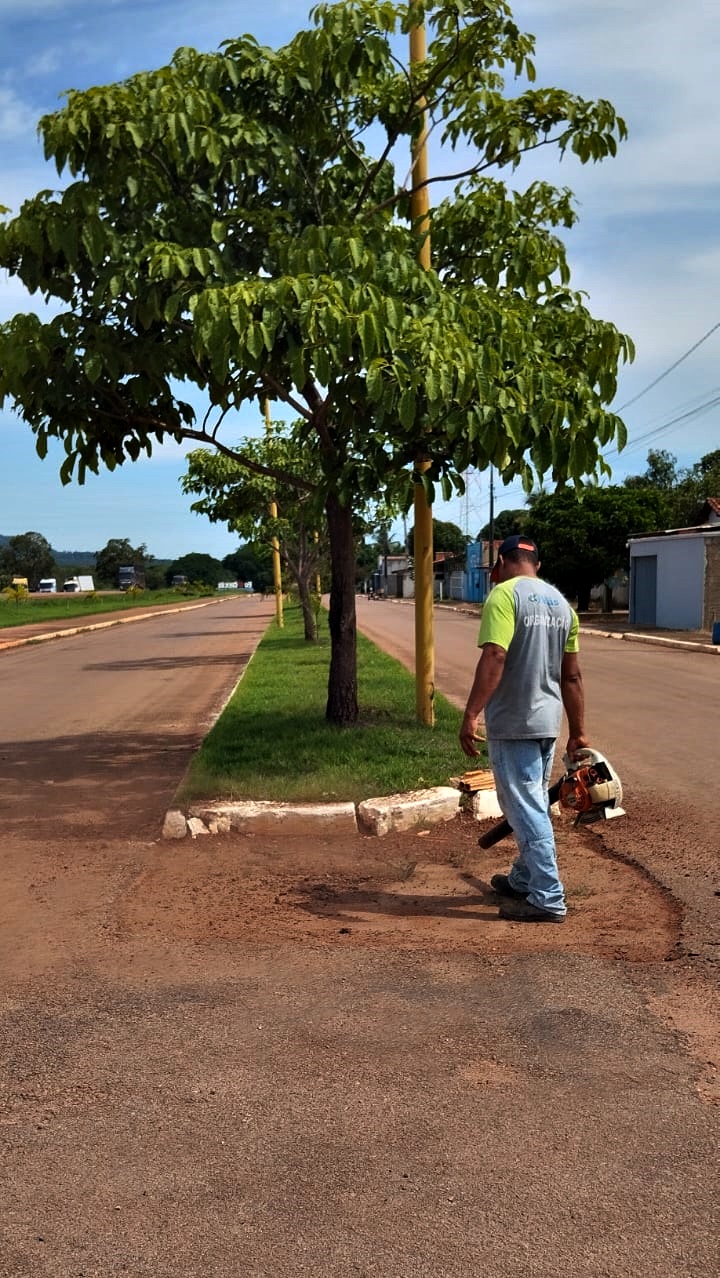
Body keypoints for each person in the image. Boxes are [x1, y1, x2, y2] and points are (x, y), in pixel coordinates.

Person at [459, 535, 589, 923]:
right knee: (531, 804)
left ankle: (548, 896)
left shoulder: (503, 596)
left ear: (500, 564)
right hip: (547, 723)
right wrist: (578, 732)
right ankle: (524, 878)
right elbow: (572, 677)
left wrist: (471, 713)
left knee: (525, 807)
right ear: (538, 565)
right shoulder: (562, 606)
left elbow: (495, 654)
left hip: (514, 722)